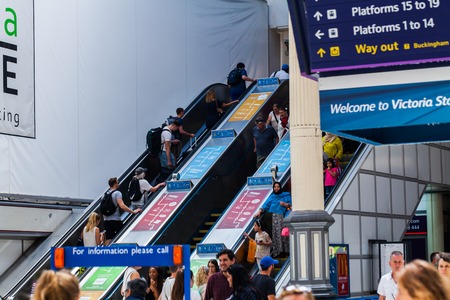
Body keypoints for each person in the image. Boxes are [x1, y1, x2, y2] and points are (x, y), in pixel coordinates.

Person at [254, 182, 291, 258]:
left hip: (281, 218)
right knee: (275, 235)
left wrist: (284, 204)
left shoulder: (286, 196)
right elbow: (265, 205)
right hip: (271, 218)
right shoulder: (272, 197)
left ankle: (284, 252)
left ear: (280, 188)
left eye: (278, 187)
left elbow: (291, 206)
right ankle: (277, 252)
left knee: (280, 235)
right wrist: (259, 211)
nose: (276, 188)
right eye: (275, 187)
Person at [103, 177, 141, 246]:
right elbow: (122, 206)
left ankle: (106, 254)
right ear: (115, 184)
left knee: (109, 238)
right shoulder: (117, 193)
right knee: (121, 236)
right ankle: (121, 253)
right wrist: (133, 211)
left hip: (106, 220)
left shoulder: (105, 194)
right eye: (117, 182)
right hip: (115, 220)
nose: (118, 184)